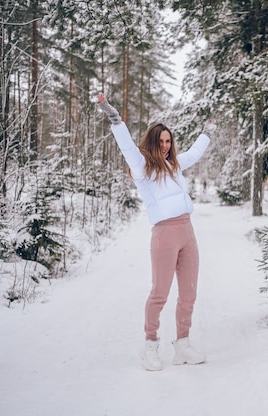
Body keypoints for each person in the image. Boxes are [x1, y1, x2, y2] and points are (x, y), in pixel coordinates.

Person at [97, 93, 215, 371]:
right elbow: (127, 148)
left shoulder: (175, 166)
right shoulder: (143, 169)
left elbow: (196, 153)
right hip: (164, 235)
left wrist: (207, 133)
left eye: (168, 140)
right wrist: (115, 119)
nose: (165, 145)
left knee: (189, 293)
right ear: (152, 143)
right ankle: (150, 345)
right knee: (160, 293)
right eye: (160, 141)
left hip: (188, 232)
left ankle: (182, 345)